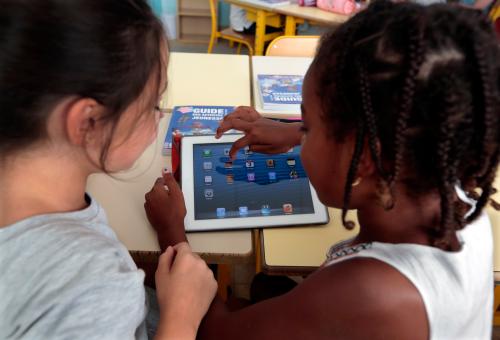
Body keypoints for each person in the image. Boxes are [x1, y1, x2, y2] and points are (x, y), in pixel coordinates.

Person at [145, 1, 499, 339]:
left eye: (308, 126)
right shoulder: (454, 192)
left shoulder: (366, 293)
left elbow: (213, 334)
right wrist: (289, 132)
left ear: (364, 159)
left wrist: (173, 234)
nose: (301, 137)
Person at [0, 1, 217, 339]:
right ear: (87, 122)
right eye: (153, 105)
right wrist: (182, 315)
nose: (160, 117)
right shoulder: (91, 285)